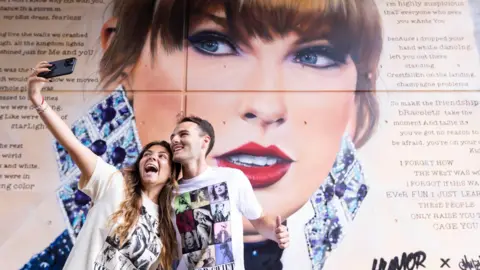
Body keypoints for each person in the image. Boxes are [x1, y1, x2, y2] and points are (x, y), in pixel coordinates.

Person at [23, 0, 382, 269]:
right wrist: (39, 102)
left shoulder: (230, 185)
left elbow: (253, 221)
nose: (267, 105)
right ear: (127, 63)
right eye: (213, 43)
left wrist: (273, 233)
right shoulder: (122, 190)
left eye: (317, 56)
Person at [26, 61, 180, 270]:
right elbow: (72, 143)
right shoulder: (113, 182)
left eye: (162, 156)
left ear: (171, 174)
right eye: (148, 154)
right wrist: (38, 100)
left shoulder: (164, 227)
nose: (153, 158)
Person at [170, 115, 290, 270]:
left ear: (204, 141)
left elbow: (259, 219)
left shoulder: (232, 178)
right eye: (172, 137)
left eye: (183, 134)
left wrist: (274, 232)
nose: (174, 140)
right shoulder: (170, 193)